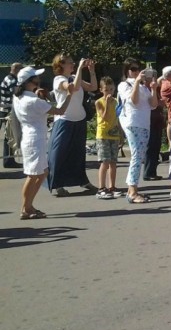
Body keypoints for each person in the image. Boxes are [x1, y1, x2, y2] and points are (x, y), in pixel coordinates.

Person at [14, 66, 73, 219]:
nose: (38, 79)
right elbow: (60, 111)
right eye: (35, 77)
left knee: (42, 173)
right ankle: (25, 208)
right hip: (35, 139)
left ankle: (28, 206)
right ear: (29, 81)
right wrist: (69, 95)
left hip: (29, 138)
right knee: (33, 175)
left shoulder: (19, 97)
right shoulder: (33, 101)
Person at [48, 54, 97, 196]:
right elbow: (73, 88)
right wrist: (81, 68)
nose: (73, 65)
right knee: (59, 154)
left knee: (78, 153)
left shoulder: (75, 76)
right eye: (70, 63)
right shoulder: (59, 79)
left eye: (73, 63)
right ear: (61, 65)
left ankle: (83, 180)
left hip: (79, 119)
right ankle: (57, 185)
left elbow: (93, 87)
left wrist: (91, 70)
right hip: (64, 120)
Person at [118, 58, 159, 203]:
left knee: (139, 157)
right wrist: (136, 82)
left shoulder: (143, 87)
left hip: (144, 124)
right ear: (127, 70)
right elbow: (133, 101)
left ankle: (132, 190)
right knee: (136, 156)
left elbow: (153, 105)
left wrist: (153, 88)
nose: (136, 71)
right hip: (133, 123)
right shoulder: (124, 85)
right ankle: (132, 191)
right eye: (133, 69)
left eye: (138, 68)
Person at [95, 76, 123, 200]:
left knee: (113, 162)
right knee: (105, 161)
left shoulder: (116, 102)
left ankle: (112, 186)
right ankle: (101, 188)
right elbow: (105, 117)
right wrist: (106, 102)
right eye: (106, 90)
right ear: (102, 90)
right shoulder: (99, 102)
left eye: (111, 89)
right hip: (103, 135)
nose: (109, 92)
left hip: (114, 134)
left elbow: (118, 118)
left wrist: (121, 134)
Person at [1, 62, 23, 169]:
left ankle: (9, 160)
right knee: (9, 134)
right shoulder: (11, 79)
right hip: (7, 110)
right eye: (21, 68)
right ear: (16, 69)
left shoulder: (11, 79)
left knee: (9, 134)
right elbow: (15, 92)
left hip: (6, 109)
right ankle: (8, 160)